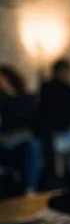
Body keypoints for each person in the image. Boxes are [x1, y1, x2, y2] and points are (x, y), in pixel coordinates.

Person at [0, 65, 43, 194]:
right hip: (6, 140)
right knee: (33, 144)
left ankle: (30, 190)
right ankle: (31, 188)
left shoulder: (25, 99)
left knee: (34, 144)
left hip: (21, 137)